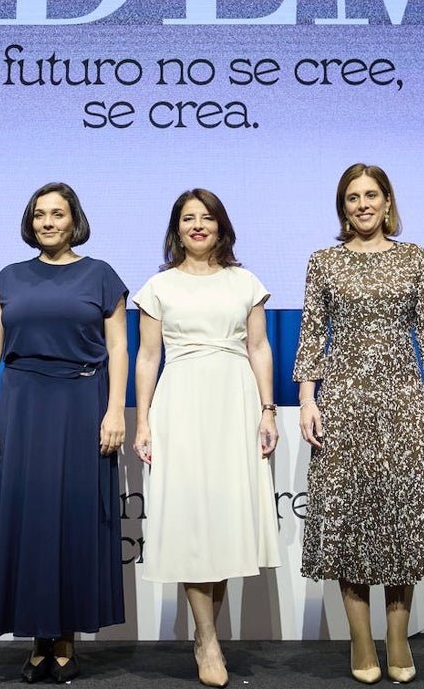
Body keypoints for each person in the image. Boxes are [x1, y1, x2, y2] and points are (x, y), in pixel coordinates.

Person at [293, 163, 424, 685]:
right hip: (342, 400)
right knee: (349, 521)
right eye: (352, 197)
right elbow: (312, 332)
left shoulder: (415, 258)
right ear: (342, 207)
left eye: (371, 195)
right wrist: (306, 398)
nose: (362, 205)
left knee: (401, 516)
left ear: (387, 201)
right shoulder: (324, 262)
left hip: (403, 399)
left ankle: (398, 637)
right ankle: (360, 640)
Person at [0, 183, 128, 684]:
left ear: (74, 219)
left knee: (74, 519)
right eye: (39, 215)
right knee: (30, 519)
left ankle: (65, 638)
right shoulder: (8, 279)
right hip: (21, 404)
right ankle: (37, 636)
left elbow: (120, 350)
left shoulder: (100, 275)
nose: (47, 222)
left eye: (57, 214)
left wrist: (115, 412)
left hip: (83, 404)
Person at [132, 188, 281, 689]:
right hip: (182, 403)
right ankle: (209, 639)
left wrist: (268, 410)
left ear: (221, 225)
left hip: (235, 402)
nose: (198, 225)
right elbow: (148, 357)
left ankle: (204, 633)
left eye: (207, 217)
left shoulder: (246, 282)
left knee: (222, 523)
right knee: (193, 521)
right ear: (176, 229)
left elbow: (258, 347)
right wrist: (144, 421)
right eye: (188, 218)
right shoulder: (159, 286)